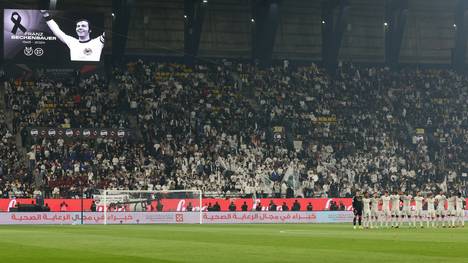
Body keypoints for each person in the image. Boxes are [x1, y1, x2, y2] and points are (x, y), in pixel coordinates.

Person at [40, 10, 105, 61]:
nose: (80, 28)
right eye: (78, 26)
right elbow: (57, 31)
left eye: (83, 26)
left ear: (90, 30)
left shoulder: (98, 41)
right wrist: (45, 14)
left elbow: (108, 32)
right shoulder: (72, 42)